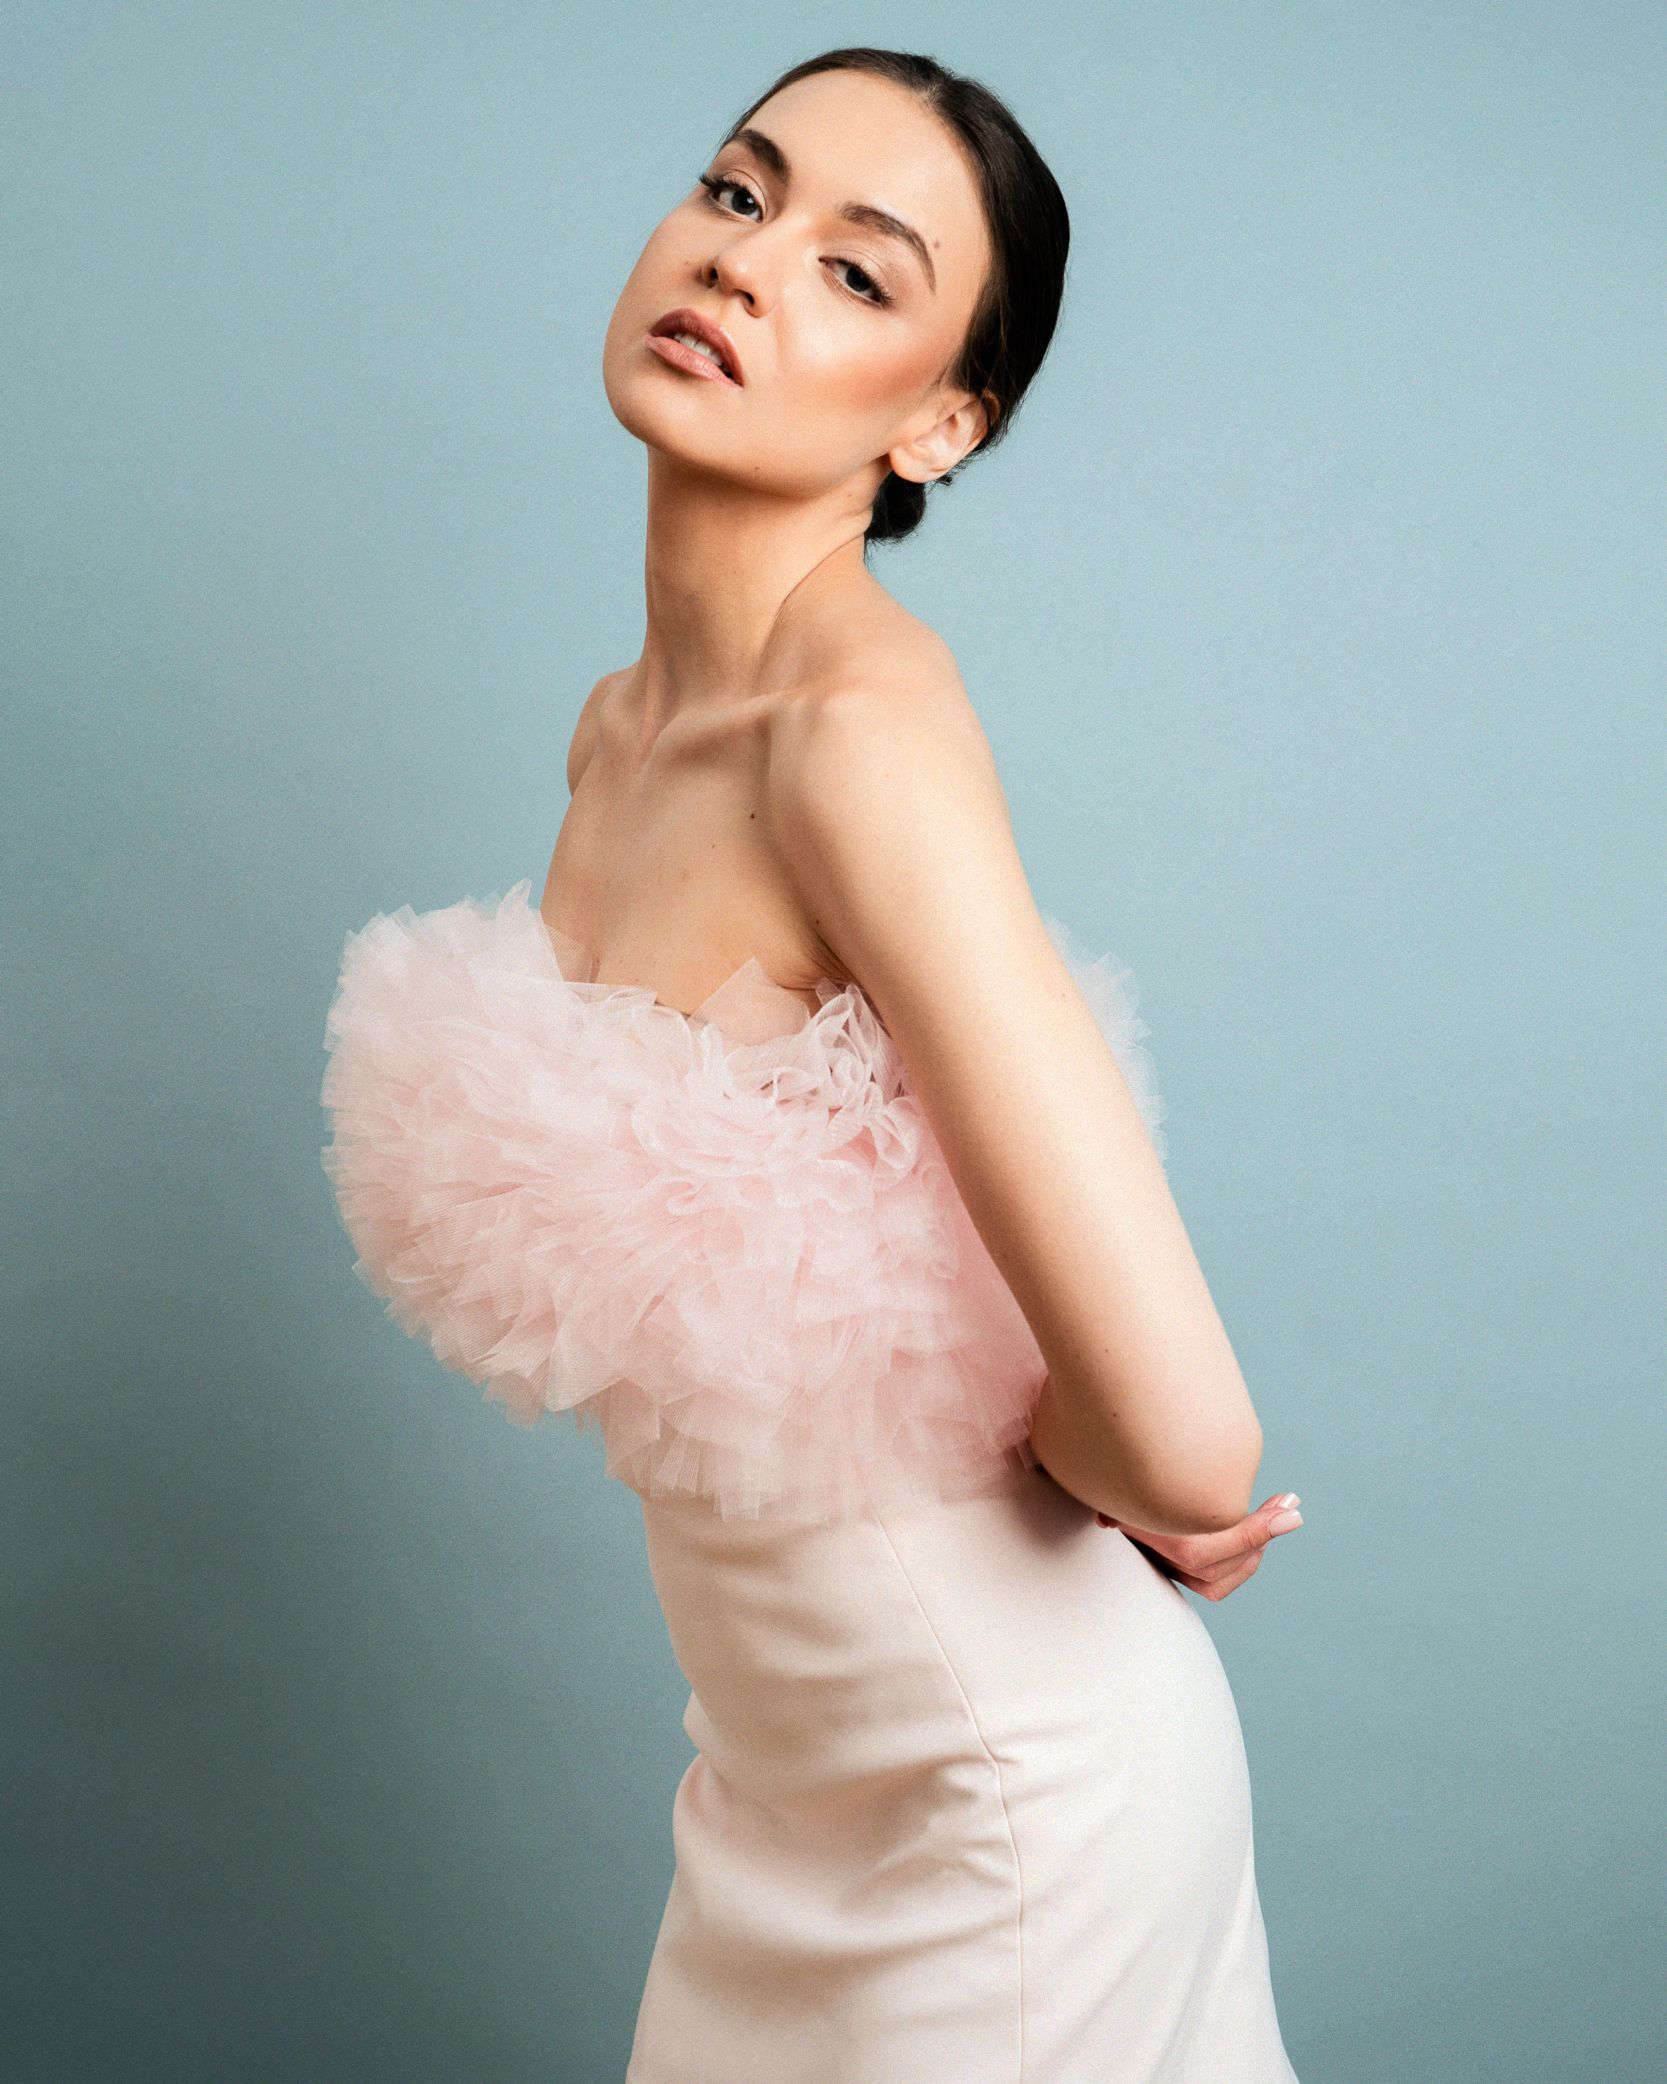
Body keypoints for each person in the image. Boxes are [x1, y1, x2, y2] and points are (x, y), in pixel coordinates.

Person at [320, 45, 1304, 2082]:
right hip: (779, 1792)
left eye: (860, 273)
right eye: (738, 191)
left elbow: (1193, 1447)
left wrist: (1101, 1469)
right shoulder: (621, 730)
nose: (744, 265)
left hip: (998, 1804)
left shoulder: (854, 739)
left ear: (941, 422)